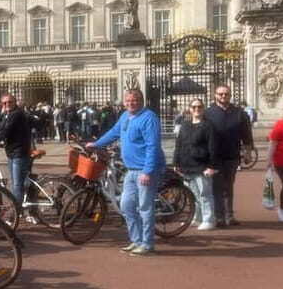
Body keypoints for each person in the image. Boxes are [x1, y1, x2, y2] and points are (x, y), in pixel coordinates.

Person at [90, 89, 166, 255]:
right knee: (126, 205)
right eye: (128, 100)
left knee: (145, 208)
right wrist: (97, 144)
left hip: (145, 170)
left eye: (135, 100)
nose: (131, 103)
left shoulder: (149, 117)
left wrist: (147, 171)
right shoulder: (125, 116)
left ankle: (147, 244)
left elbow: (153, 146)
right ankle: (136, 240)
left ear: (142, 100)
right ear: (124, 102)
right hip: (130, 170)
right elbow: (114, 132)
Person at [203, 84, 253, 227]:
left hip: (232, 155)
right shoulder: (208, 113)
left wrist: (247, 153)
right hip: (214, 157)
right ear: (215, 95)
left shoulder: (239, 113)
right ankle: (219, 216)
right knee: (217, 187)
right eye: (220, 94)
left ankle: (229, 215)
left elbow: (247, 135)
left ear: (230, 95)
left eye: (226, 94)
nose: (223, 96)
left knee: (229, 186)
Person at [173, 98, 218, 230]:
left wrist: (212, 166)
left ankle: (209, 219)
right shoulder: (185, 125)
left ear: (203, 109)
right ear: (190, 109)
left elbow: (213, 147)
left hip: (202, 165)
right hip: (187, 165)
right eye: (194, 107)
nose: (196, 109)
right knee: (193, 195)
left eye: (199, 107)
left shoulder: (208, 125)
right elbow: (179, 144)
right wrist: (176, 162)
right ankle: (196, 217)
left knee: (205, 194)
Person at [0, 93, 34, 221]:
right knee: (21, 183)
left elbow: (4, 132)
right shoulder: (9, 114)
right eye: (4, 103)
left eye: (10, 102)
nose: (7, 105)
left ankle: (15, 216)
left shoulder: (17, 114)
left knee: (17, 186)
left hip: (19, 154)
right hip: (14, 153)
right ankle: (29, 207)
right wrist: (1, 113)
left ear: (15, 103)